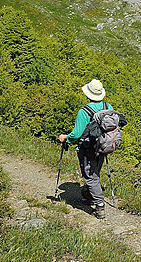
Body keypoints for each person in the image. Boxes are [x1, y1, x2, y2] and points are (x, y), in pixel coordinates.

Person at [59, 79, 112, 219]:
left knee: (90, 175)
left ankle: (99, 206)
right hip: (103, 146)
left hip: (87, 148)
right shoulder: (108, 106)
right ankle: (88, 194)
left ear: (88, 94)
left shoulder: (84, 111)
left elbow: (76, 134)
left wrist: (65, 138)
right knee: (94, 173)